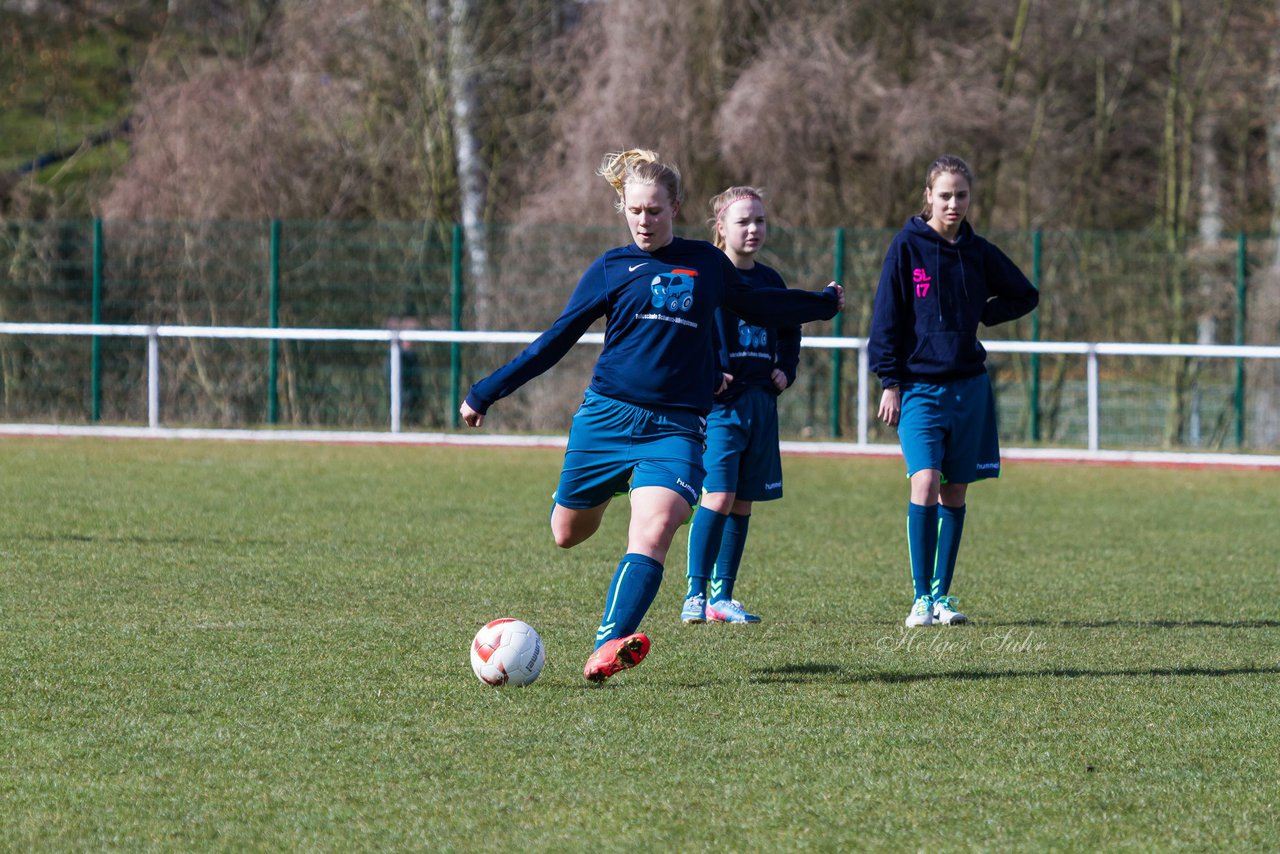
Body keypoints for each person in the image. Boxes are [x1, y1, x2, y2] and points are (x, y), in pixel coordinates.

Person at [460, 149, 843, 683]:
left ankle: (607, 644)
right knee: (566, 533)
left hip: (677, 427)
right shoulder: (611, 268)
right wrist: (486, 391)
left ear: (676, 208)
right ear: (623, 208)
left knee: (657, 527)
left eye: (656, 211)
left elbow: (762, 306)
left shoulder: (706, 265)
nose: (645, 221)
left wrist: (820, 304)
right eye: (636, 211)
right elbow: (555, 341)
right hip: (606, 419)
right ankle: (621, 482)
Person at [868, 154, 1038, 628]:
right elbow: (885, 321)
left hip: (968, 388)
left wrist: (984, 313)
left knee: (955, 492)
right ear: (928, 196)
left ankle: (942, 596)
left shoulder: (978, 252)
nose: (953, 203)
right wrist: (890, 381)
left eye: (961, 195)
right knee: (924, 481)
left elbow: (1026, 294)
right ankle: (921, 598)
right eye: (944, 195)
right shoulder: (905, 247)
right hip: (919, 388)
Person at [680, 186, 800, 626]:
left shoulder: (770, 282)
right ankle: (695, 592)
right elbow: (688, 332)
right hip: (722, 408)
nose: (753, 229)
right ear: (721, 228)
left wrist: (786, 368)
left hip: (760, 405)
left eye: (760, 221)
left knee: (744, 500)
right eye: (743, 221)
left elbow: (791, 330)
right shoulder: (709, 277)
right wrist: (710, 372)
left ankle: (722, 598)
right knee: (719, 494)